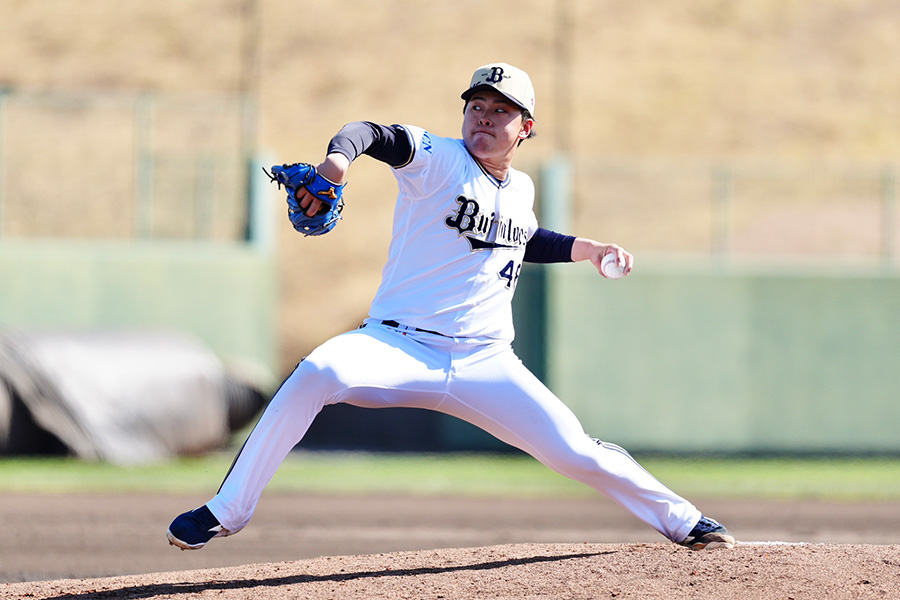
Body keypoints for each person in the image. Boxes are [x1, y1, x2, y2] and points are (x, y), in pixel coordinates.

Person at [166, 63, 735, 552]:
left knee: (575, 451)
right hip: (397, 344)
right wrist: (337, 162)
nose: (484, 117)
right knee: (316, 372)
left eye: (501, 110)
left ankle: (685, 521)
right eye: (477, 106)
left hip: (486, 363)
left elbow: (520, 236)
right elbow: (368, 132)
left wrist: (585, 249)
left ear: (525, 127)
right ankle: (227, 510)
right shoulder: (437, 158)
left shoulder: (521, 190)